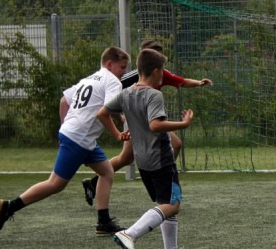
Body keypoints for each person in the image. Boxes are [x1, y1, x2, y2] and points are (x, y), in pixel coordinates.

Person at [0, 46, 130, 235]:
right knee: (56, 184)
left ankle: (103, 221)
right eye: (122, 67)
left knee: (106, 172)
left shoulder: (90, 79)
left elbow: (64, 102)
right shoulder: (113, 81)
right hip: (80, 138)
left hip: (79, 136)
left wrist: (65, 127)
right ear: (110, 64)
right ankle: (10, 206)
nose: (124, 72)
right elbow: (104, 111)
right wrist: (117, 133)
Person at [81, 39, 212, 206]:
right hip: (137, 121)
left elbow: (181, 81)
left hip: (151, 119)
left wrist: (199, 83)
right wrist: (121, 116)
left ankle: (164, 181)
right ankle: (96, 182)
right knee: (126, 158)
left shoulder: (161, 73)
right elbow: (113, 96)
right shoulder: (131, 77)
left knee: (174, 145)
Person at [98, 47, 195, 249]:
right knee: (173, 204)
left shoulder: (126, 93)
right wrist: (183, 124)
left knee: (164, 202)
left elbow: (102, 113)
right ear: (156, 71)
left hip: (142, 160)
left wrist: (118, 134)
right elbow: (155, 125)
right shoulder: (154, 95)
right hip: (160, 158)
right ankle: (130, 234)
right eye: (163, 71)